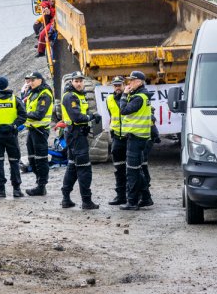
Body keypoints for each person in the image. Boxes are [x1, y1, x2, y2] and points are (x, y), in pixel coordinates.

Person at [57, 72, 99, 209]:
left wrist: (91, 116)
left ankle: (66, 198)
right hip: (76, 135)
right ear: (71, 82)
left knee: (73, 167)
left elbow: (81, 113)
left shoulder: (79, 95)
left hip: (75, 135)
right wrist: (91, 117)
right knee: (84, 168)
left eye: (81, 81)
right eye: (76, 81)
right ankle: (86, 201)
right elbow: (77, 117)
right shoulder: (70, 96)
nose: (79, 83)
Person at [117, 71, 154, 211]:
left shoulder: (139, 97)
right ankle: (146, 198)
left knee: (132, 171)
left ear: (139, 82)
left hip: (136, 137)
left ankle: (132, 202)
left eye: (132, 80)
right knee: (136, 170)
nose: (129, 83)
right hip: (139, 137)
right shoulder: (141, 95)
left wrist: (124, 95)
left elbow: (124, 110)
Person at [22, 72, 54, 196]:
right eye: (29, 80)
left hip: (40, 131)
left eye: (33, 80)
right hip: (32, 130)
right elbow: (28, 107)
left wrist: (23, 115)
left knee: (41, 159)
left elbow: (40, 114)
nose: (30, 82)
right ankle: (38, 182)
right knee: (32, 158)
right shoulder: (32, 92)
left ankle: (41, 186)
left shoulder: (45, 94)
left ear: (40, 80)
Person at [104, 75, 129, 205]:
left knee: (133, 169)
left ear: (124, 85)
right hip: (117, 138)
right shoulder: (109, 99)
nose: (117, 87)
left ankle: (136, 196)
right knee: (118, 168)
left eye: (119, 85)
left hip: (129, 137)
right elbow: (112, 116)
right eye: (115, 85)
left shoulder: (130, 98)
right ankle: (120, 196)